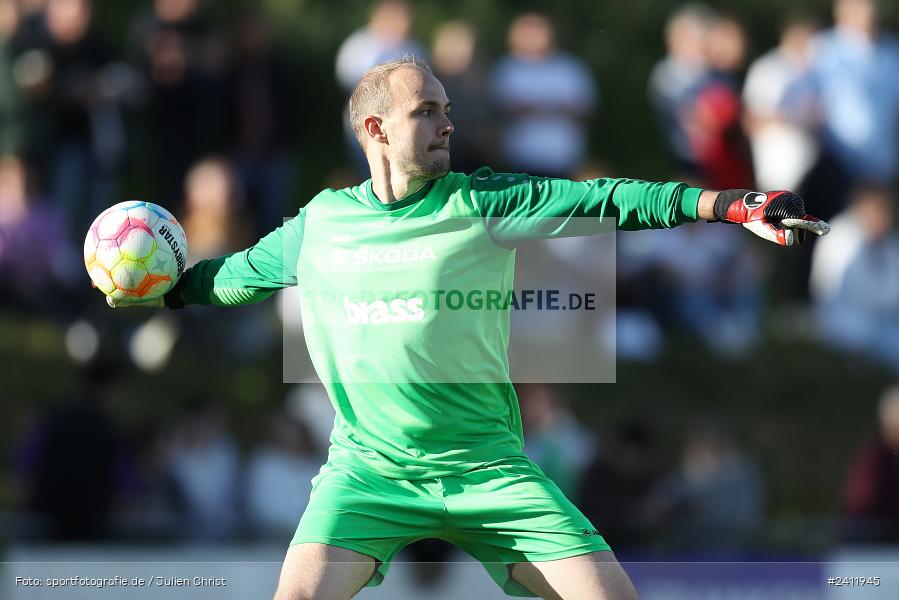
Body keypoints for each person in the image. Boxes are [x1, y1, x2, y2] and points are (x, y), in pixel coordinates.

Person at [106, 56, 829, 600]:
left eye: (447, 108)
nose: (447, 122)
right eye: (427, 110)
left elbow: (609, 199)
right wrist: (151, 293)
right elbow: (223, 280)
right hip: (369, 473)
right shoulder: (320, 224)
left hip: (488, 470)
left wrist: (733, 205)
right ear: (375, 127)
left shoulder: (483, 201)